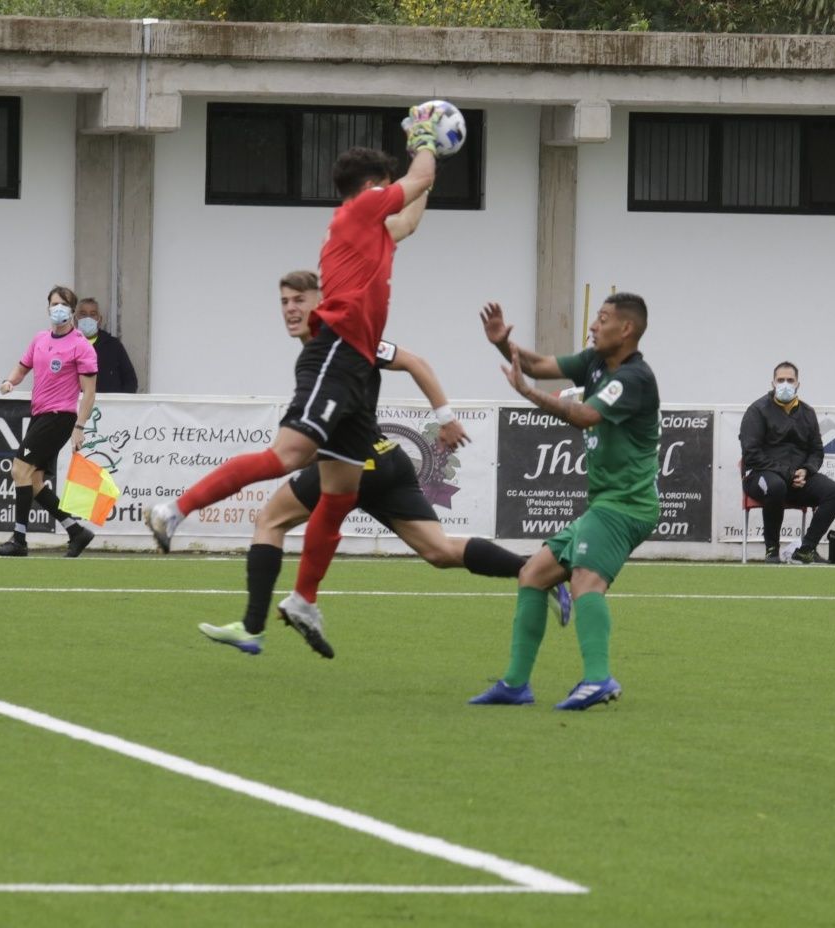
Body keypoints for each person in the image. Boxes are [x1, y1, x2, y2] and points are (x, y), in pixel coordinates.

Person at [145, 104, 445, 647]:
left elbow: (415, 208)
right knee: (287, 457)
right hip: (335, 355)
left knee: (338, 491)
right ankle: (175, 509)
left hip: (353, 370)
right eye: (386, 189)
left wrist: (428, 161)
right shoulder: (357, 213)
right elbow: (417, 177)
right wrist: (426, 137)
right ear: (372, 187)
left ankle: (304, 599)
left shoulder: (372, 232)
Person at [197, 271, 570, 657]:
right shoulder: (320, 354)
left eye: (299, 300)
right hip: (385, 460)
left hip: (357, 465)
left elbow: (416, 362)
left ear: (320, 302)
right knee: (440, 552)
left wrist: (445, 417)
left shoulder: (348, 340)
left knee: (270, 520)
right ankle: (536, 572)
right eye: (284, 302)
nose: (291, 309)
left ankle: (253, 627)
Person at [468, 294, 659, 711]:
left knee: (585, 582)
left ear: (626, 329)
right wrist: (502, 343)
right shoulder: (594, 361)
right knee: (534, 573)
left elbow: (585, 416)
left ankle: (598, 678)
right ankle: (516, 685)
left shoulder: (634, 378)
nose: (593, 324)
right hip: (607, 502)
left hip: (627, 504)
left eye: (603, 318)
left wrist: (527, 394)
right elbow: (537, 366)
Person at [0, 286, 98, 558]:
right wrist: (9, 381)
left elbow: (89, 392)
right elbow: (23, 366)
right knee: (34, 481)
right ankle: (76, 532)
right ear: (48, 308)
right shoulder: (39, 339)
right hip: (40, 416)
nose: (57, 308)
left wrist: (80, 427)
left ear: (71, 311)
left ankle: (19, 540)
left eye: (63, 304)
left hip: (59, 417)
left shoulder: (80, 345)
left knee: (19, 469)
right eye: (53, 304)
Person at [739, 362, 835, 564]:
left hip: (798, 480)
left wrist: (806, 470)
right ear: (772, 382)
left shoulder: (807, 412)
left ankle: (806, 549)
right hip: (762, 476)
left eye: (790, 380)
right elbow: (751, 454)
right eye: (780, 380)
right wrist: (788, 474)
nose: (785, 384)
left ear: (798, 384)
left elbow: (816, 451)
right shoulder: (757, 410)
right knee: (776, 486)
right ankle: (772, 550)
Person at [75, 298, 138, 393]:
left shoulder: (114, 346)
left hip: (109, 406)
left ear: (99, 320)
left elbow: (131, 381)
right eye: (83, 314)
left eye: (93, 314)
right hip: (76, 406)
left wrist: (119, 404)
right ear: (75, 318)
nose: (88, 318)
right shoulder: (67, 346)